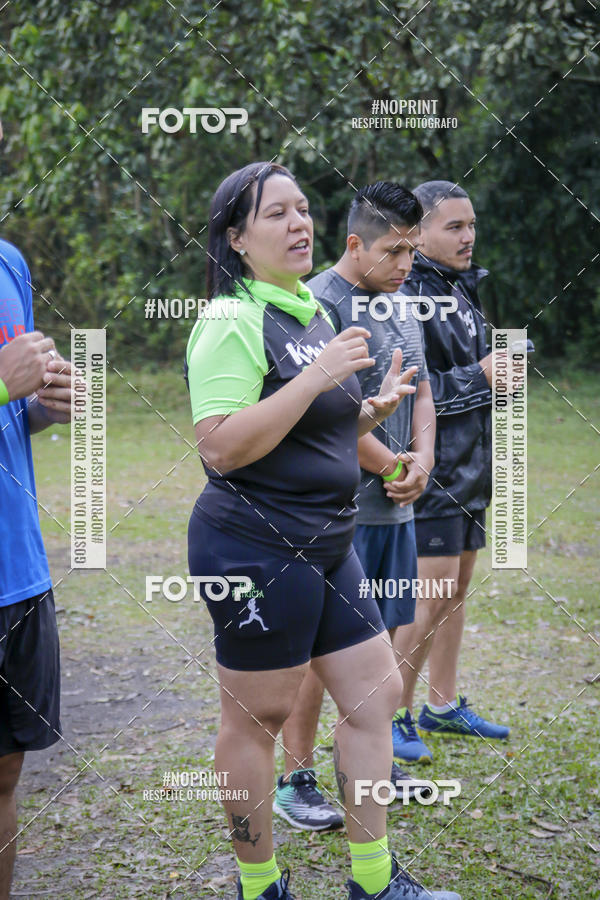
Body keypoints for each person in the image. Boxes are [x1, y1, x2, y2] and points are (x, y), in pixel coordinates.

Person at [186, 162, 460, 900]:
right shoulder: (230, 319)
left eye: (302, 209)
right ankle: (261, 886)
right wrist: (316, 380)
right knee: (257, 721)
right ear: (238, 238)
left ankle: (372, 881)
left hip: (329, 543)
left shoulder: (311, 308)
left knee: (373, 700)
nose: (298, 223)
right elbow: (220, 444)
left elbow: (311, 433)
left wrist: (372, 415)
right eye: (275, 214)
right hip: (255, 549)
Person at [273, 182, 436, 832]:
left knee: (382, 637)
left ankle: (360, 754)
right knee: (324, 652)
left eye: (412, 251)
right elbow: (325, 417)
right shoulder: (320, 306)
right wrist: (394, 464)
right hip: (337, 514)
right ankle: (296, 777)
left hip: (398, 506)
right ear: (354, 244)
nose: (406, 264)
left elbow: (417, 390)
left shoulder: (401, 301)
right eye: (395, 250)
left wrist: (423, 460)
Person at [391, 180, 509, 766]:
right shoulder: (406, 295)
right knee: (426, 596)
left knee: (455, 592)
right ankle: (392, 714)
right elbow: (416, 393)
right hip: (433, 475)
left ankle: (441, 704)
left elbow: (469, 377)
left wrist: (497, 377)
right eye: (453, 227)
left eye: (471, 225)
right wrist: (484, 378)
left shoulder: (461, 288)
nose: (468, 237)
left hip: (472, 472)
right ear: (418, 233)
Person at [0, 238, 73, 899]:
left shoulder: (10, 262)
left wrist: (43, 404)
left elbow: (13, 415)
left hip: (16, 568)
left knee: (5, 775)